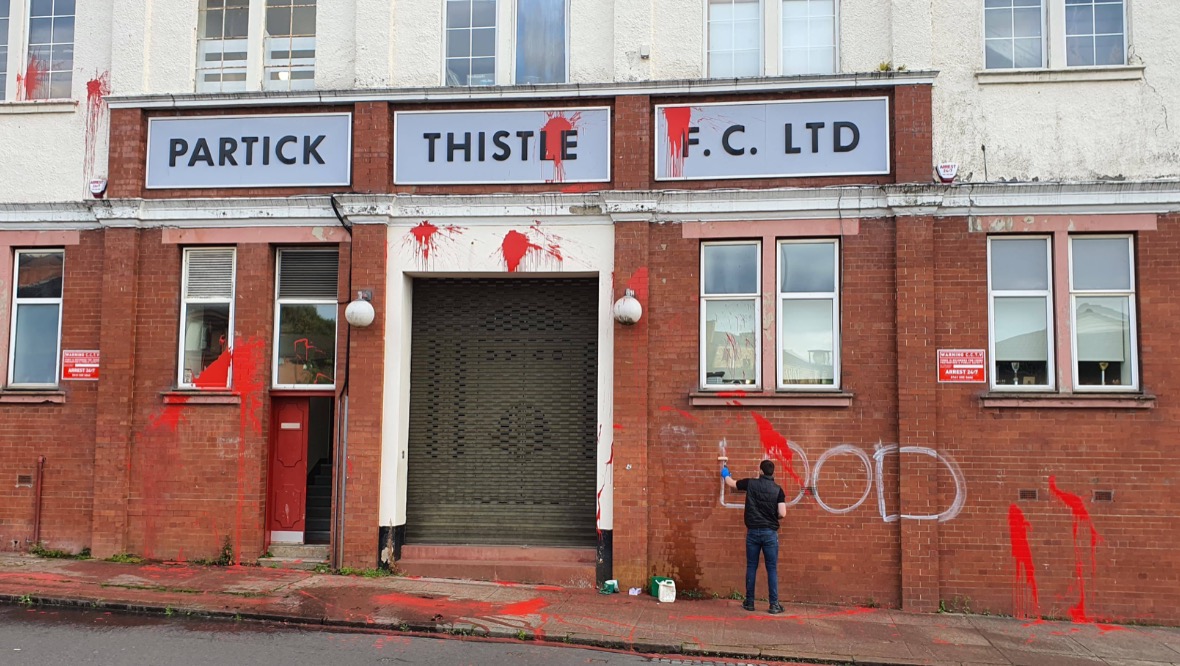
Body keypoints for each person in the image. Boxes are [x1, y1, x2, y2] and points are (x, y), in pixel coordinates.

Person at [723, 459, 787, 614]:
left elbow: (731, 483)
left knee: (752, 566)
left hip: (753, 532)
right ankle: (773, 605)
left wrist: (725, 473)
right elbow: (783, 513)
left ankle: (749, 602)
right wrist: (772, 517)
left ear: (760, 471)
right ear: (773, 473)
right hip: (770, 533)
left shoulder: (750, 483)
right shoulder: (778, 490)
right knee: (771, 568)